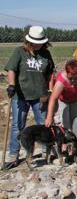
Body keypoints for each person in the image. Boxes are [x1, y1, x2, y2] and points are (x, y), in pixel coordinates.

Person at [4, 26, 55, 167]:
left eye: (40, 42)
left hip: (41, 96)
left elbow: (51, 74)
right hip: (21, 96)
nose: (38, 44)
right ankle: (13, 154)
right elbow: (11, 69)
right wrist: (11, 85)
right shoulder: (19, 52)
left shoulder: (46, 54)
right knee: (17, 126)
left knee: (44, 125)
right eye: (35, 42)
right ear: (29, 41)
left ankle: (47, 151)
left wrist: (50, 90)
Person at [45, 59, 77, 129]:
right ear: (66, 72)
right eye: (70, 78)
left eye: (76, 78)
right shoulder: (61, 81)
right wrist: (49, 117)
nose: (73, 80)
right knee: (64, 125)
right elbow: (53, 98)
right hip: (63, 101)